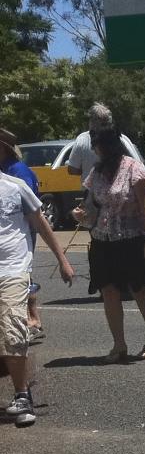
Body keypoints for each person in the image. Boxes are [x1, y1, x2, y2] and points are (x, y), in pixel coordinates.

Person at [74, 126, 145, 362]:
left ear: (110, 146)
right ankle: (119, 345)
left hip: (132, 239)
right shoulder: (97, 172)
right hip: (102, 240)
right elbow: (91, 205)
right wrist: (82, 215)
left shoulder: (134, 169)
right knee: (109, 291)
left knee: (140, 291)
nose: (96, 150)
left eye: (99, 146)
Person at [1, 168, 74, 426]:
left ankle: (22, 395)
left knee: (13, 331)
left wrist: (62, 260)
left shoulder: (16, 187)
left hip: (12, 269)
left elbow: (41, 223)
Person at [0, 128, 45, 342]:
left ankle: (32, 319)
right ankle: (30, 319)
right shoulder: (9, 168)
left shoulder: (17, 171)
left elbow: (32, 210)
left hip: (20, 232)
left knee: (22, 275)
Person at [66, 103, 144, 183]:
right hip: (120, 188)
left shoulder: (82, 140)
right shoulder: (121, 138)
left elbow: (72, 169)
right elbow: (138, 163)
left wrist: (86, 169)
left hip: (94, 189)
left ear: (91, 121)